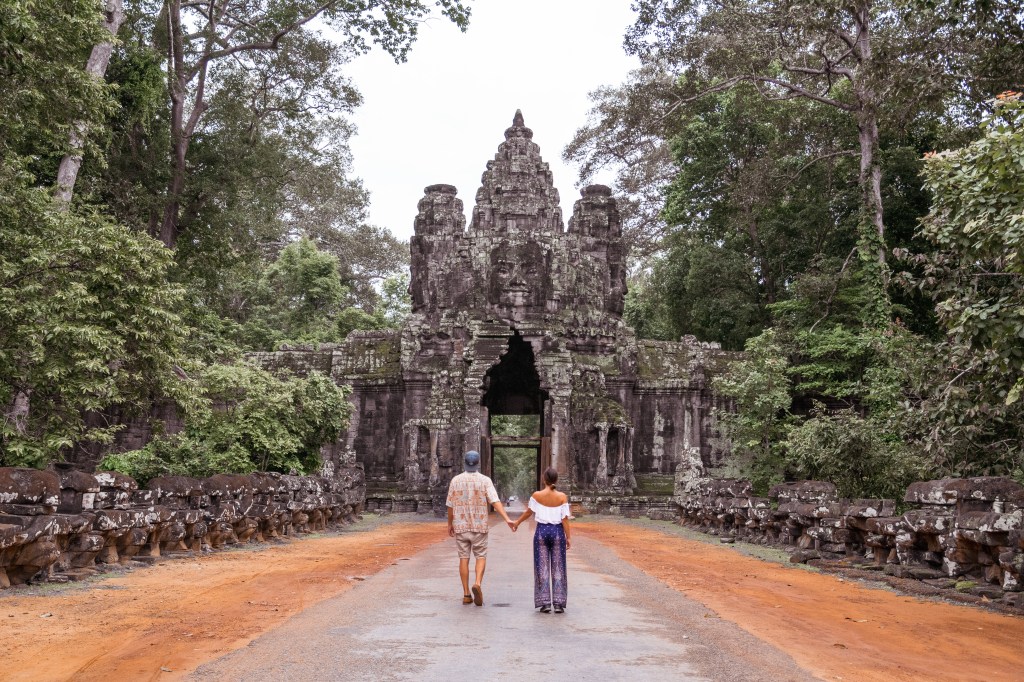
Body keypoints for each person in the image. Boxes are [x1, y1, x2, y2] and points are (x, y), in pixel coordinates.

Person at [445, 450, 514, 606]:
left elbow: (450, 505)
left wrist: (450, 524)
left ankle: (466, 594)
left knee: (463, 558)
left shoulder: (455, 480)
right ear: (477, 464)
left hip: (461, 526)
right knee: (480, 556)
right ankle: (477, 583)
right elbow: (495, 501)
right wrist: (507, 519)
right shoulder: (485, 481)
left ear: (464, 463)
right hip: (479, 526)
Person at [511, 467, 572, 613]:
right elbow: (564, 520)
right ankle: (558, 603)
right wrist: (568, 537)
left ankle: (545, 603)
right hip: (557, 532)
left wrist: (517, 523)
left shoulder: (537, 495)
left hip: (541, 532)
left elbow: (528, 512)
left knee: (541, 566)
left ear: (544, 479)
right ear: (556, 480)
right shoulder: (562, 497)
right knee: (558, 567)